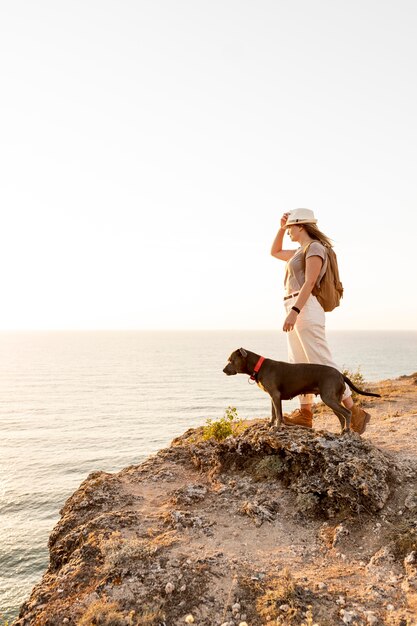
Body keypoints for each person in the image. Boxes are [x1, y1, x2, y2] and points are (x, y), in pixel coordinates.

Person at [270, 208, 370, 434]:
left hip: (304, 307)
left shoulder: (315, 248)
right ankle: (305, 414)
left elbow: (310, 282)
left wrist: (295, 311)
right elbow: (274, 251)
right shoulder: (299, 251)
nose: (288, 232)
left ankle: (355, 413)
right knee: (299, 364)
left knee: (321, 362)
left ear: (301, 226)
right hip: (294, 304)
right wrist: (280, 227)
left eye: (290, 228)